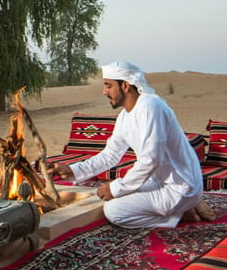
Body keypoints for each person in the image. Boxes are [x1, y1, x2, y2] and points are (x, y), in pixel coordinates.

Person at [48, 61, 214, 228]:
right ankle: (185, 206)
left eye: (108, 85)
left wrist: (116, 188)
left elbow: (151, 160)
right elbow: (110, 155)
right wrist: (72, 170)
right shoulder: (124, 117)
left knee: (114, 210)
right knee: (119, 192)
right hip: (158, 181)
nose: (104, 91)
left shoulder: (150, 107)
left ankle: (179, 212)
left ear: (125, 85)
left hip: (179, 186)